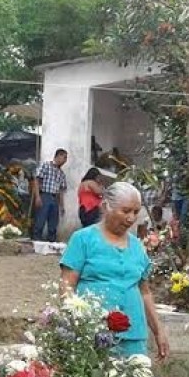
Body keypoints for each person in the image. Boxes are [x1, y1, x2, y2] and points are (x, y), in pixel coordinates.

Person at [59, 182, 169, 359]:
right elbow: (66, 286)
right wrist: (76, 323)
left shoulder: (137, 246)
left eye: (135, 212)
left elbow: (145, 292)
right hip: (98, 330)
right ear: (105, 207)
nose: (131, 218)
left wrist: (158, 331)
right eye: (125, 211)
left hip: (134, 333)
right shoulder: (83, 239)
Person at [32, 149, 68, 242]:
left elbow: (61, 191)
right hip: (44, 195)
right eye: (64, 158)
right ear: (58, 156)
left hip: (54, 198)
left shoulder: (61, 173)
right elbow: (36, 180)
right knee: (40, 220)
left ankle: (51, 243)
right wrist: (37, 196)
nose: (65, 161)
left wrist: (62, 206)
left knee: (53, 223)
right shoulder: (46, 165)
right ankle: (37, 241)